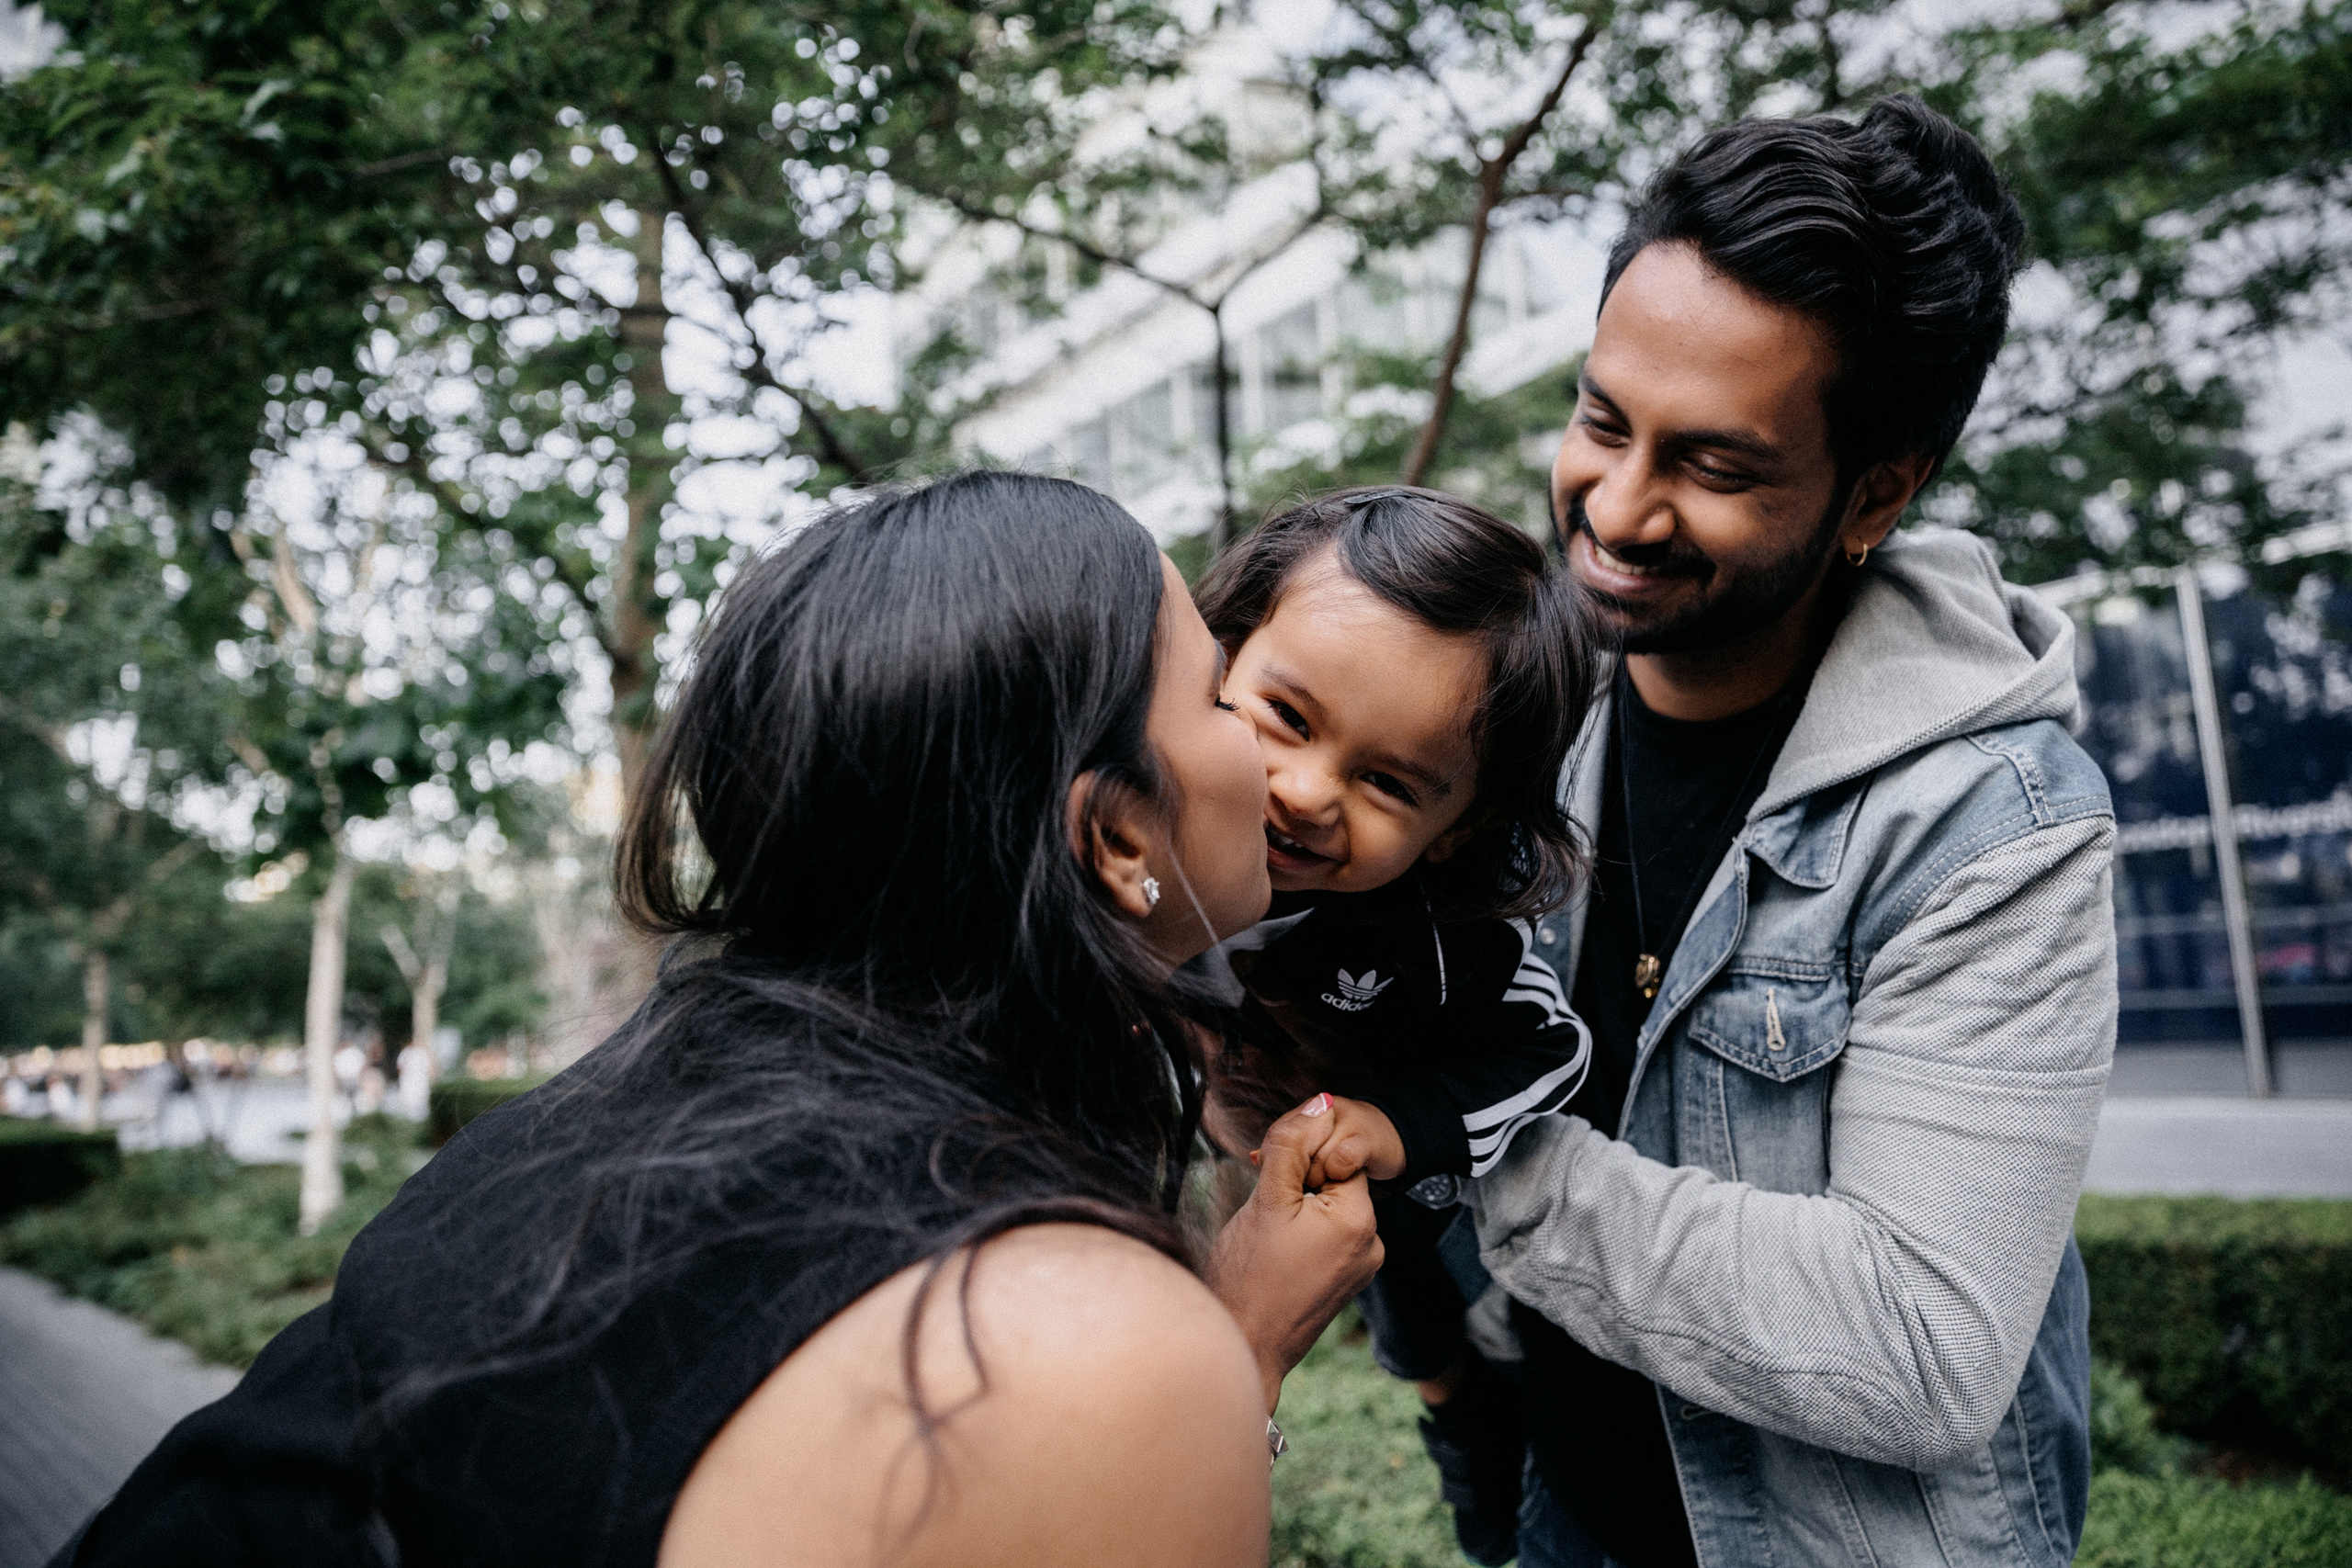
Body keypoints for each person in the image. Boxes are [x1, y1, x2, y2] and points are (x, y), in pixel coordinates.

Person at [55, 473, 1383, 1568]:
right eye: (1219, 694)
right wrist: (1238, 1347)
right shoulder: (1088, 1347)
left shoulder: (616, 1102)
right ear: (1113, 834)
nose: (1266, 761)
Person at [1464, 96, 2117, 1568]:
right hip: (1567, 1515)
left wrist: (1466, 1147)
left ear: (1874, 493)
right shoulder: (1519, 712)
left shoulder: (1993, 823)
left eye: (1713, 465)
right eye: (1600, 419)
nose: (1616, 506)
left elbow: (1923, 1340)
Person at [1187, 485, 1600, 1562]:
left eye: (1386, 781)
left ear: (1462, 829)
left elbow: (1549, 1046)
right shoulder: (1148, 831)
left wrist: (1396, 1121)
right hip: (1262, 1164)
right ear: (1220, 657)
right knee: (1418, 1348)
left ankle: (1480, 1454)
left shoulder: (1436, 936)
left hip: (1412, 1180)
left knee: (1443, 1332)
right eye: (1286, 716)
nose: (1307, 793)